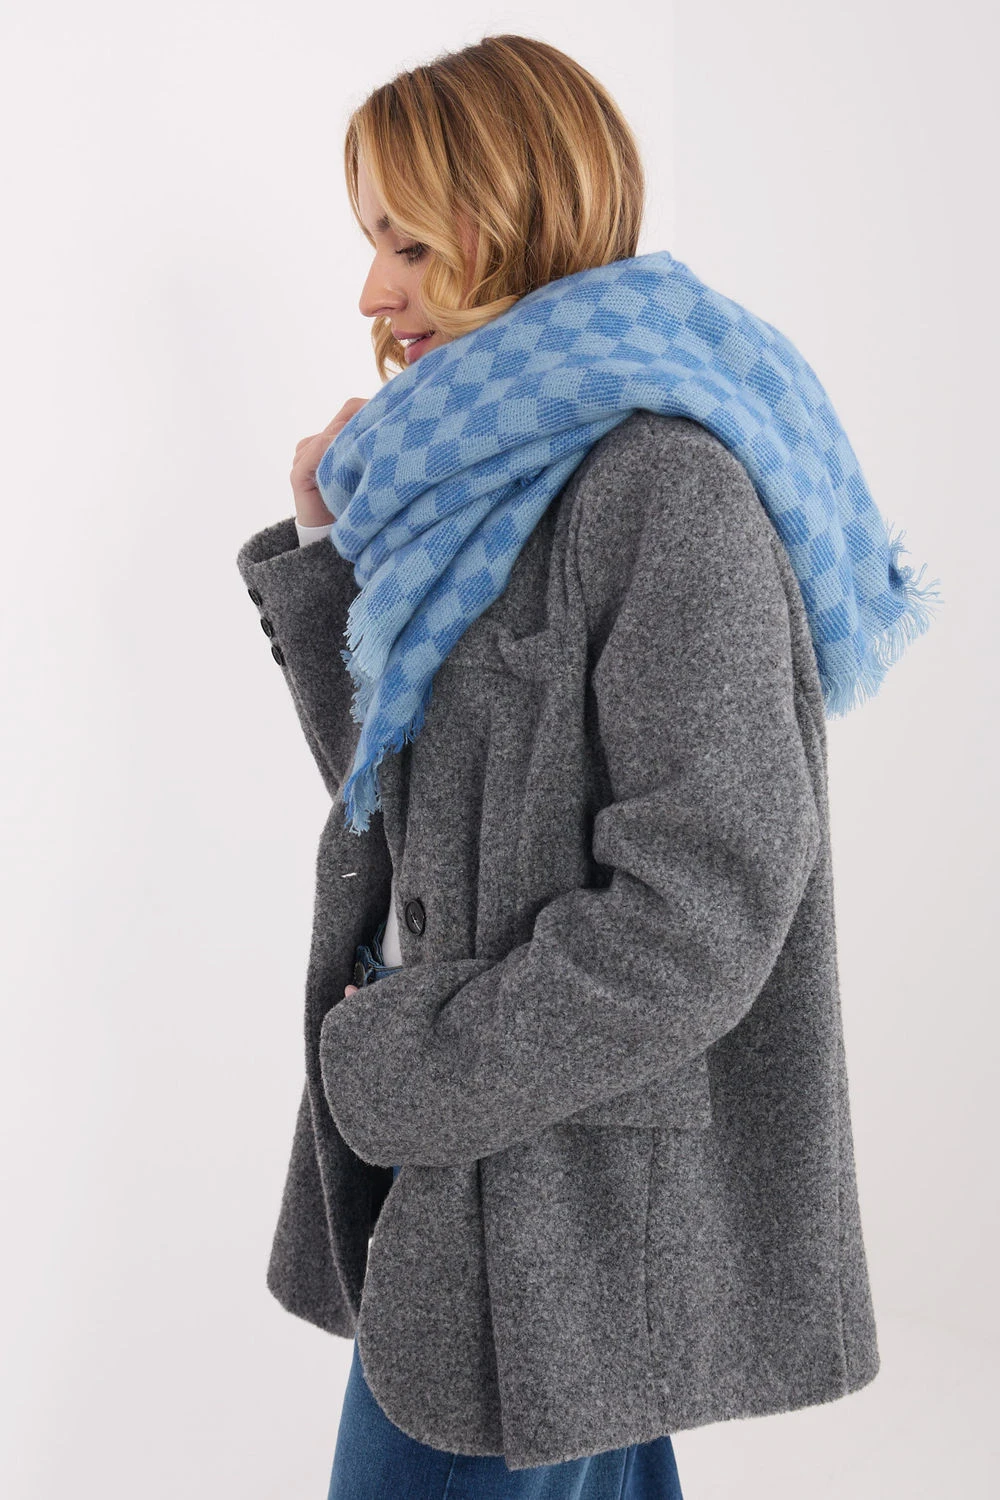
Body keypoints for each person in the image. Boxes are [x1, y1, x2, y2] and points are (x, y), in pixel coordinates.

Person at [237, 29, 918, 1500]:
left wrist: (417, 1064)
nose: (372, 294)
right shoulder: (482, 478)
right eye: (371, 242)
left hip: (558, 1196)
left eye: (409, 244)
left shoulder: (662, 486)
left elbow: (704, 910)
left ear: (515, 220)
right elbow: (410, 810)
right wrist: (328, 557)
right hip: (501, 1187)